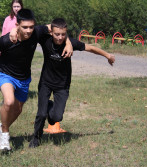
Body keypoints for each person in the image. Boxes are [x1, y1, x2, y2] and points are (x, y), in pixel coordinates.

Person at [0, 9, 73, 151]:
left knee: (17, 110)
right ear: (17, 25)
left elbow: (56, 27)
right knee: (9, 101)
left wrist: (68, 43)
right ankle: (5, 136)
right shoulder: (7, 39)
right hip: (5, 75)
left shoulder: (36, 32)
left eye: (31, 27)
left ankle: (2, 126)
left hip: (24, 79)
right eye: (25, 27)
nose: (29, 30)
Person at [29, 18, 115, 148]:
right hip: (45, 82)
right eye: (57, 34)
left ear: (66, 33)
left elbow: (90, 48)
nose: (60, 37)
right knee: (41, 114)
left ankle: (50, 106)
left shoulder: (71, 43)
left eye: (63, 34)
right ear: (51, 32)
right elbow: (34, 30)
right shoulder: (45, 39)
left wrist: (107, 55)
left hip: (62, 85)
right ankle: (36, 138)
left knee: (56, 117)